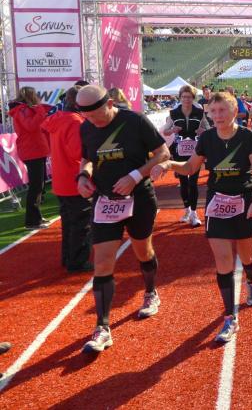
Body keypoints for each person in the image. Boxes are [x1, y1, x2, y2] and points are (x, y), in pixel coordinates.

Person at [151, 91, 252, 343]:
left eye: (222, 110)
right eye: (213, 112)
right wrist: (168, 164)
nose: (218, 116)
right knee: (223, 260)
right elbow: (190, 167)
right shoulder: (206, 138)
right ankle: (230, 318)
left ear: (234, 111)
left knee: (247, 256)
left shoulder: (247, 136)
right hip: (217, 203)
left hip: (245, 201)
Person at [75, 84, 170, 353]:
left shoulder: (135, 121)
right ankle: (102, 327)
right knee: (103, 260)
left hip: (139, 198)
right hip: (105, 200)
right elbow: (87, 159)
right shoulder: (86, 127)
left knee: (143, 250)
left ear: (109, 104)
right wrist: (83, 176)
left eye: (96, 115)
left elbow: (163, 153)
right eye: (86, 117)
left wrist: (135, 176)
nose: (93, 122)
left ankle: (150, 292)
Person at [42, 86, 93, 272]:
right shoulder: (75, 122)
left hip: (61, 179)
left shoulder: (57, 118)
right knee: (81, 223)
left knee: (69, 222)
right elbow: (79, 153)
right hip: (75, 179)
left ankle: (68, 257)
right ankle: (77, 261)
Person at [162, 85, 208, 227]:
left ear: (193, 98)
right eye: (183, 97)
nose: (186, 100)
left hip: (195, 151)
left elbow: (208, 128)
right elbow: (165, 131)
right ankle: (187, 209)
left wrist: (203, 130)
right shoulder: (173, 113)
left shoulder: (199, 112)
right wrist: (172, 130)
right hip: (179, 151)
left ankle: (194, 213)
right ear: (180, 98)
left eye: (188, 97)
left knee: (193, 182)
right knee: (183, 181)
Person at [8, 86, 51, 230]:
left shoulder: (25, 110)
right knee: (36, 186)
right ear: (31, 96)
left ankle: (36, 217)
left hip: (35, 150)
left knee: (39, 186)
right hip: (32, 151)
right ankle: (32, 221)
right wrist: (40, 111)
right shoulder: (22, 110)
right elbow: (31, 126)